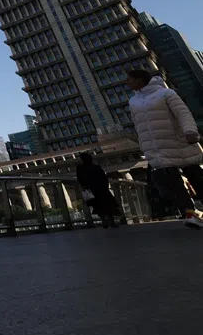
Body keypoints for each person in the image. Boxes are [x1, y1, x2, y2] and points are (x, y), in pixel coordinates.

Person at [126, 69, 203, 229]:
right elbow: (138, 126)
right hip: (157, 148)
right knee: (172, 183)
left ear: (140, 79)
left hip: (179, 142)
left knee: (196, 177)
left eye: (130, 79)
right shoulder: (133, 101)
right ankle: (191, 214)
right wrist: (144, 145)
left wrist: (190, 131)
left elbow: (183, 113)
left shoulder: (166, 94)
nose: (128, 82)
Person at [75, 152, 120, 228]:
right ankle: (111, 221)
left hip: (92, 190)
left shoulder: (80, 168)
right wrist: (105, 187)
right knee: (108, 205)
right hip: (102, 189)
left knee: (97, 206)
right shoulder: (96, 167)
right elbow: (104, 178)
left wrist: (85, 187)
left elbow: (80, 179)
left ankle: (104, 221)